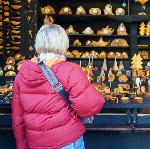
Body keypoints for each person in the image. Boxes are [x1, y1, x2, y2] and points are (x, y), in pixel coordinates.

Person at [12, 16, 104, 149]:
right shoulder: (71, 70)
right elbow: (88, 107)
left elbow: (18, 119)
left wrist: (22, 145)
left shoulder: (22, 75)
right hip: (67, 141)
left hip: (35, 143)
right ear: (63, 43)